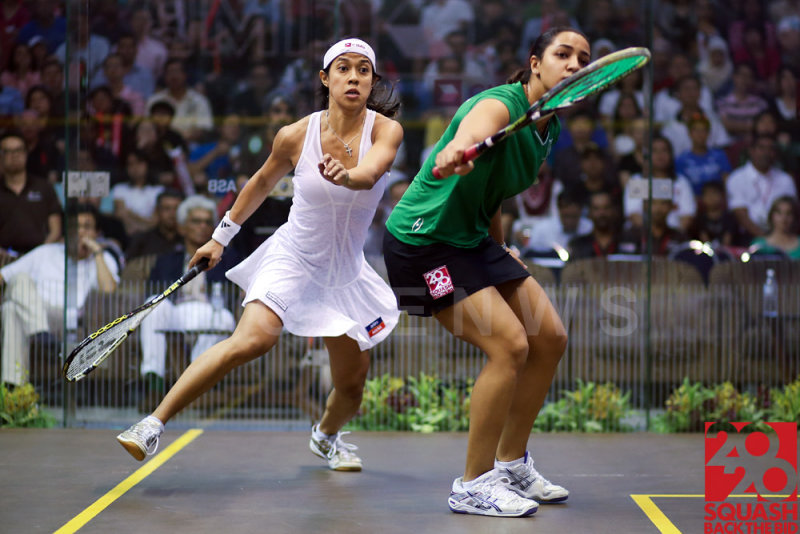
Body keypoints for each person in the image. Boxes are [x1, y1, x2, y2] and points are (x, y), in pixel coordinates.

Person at [117, 38, 403, 474]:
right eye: (343, 68)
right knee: (253, 339)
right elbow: (259, 184)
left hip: (345, 275)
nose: (353, 77)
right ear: (325, 79)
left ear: (372, 81)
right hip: (292, 257)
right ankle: (152, 424)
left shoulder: (385, 130)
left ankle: (325, 436)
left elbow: (372, 172)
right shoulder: (294, 135)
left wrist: (348, 175)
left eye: (363, 70)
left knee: (352, 385)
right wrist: (219, 238)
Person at [383, 26, 582, 518]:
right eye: (563, 54)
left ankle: (511, 463)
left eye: (583, 58)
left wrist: (500, 250)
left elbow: (492, 191)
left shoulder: (547, 128)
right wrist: (454, 151)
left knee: (550, 336)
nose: (574, 64)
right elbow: (473, 132)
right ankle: (472, 484)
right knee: (510, 345)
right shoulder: (501, 105)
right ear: (535, 63)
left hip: (473, 240)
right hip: (422, 245)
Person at [136, 195, 240, 412]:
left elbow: (232, 296)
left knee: (224, 317)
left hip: (210, 311)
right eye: (195, 221)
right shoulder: (167, 259)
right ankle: (154, 384)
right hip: (175, 314)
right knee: (154, 303)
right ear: (182, 227)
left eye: (207, 222)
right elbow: (154, 290)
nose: (202, 226)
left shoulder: (227, 258)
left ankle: (193, 384)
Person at [0, 203, 118, 387]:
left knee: (11, 310)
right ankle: (40, 333)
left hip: (72, 319)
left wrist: (96, 252)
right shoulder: (45, 253)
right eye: (74, 227)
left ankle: (13, 392)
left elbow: (109, 291)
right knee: (18, 284)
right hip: (38, 311)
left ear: (96, 233)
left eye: (86, 227)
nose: (80, 233)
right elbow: (4, 276)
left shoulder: (102, 258)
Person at [0, 131, 61, 259]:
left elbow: (55, 230)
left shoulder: (44, 187)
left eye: (19, 150)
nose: (14, 155)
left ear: (26, 154)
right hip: (2, 258)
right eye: (7, 151)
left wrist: (39, 255)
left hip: (40, 257)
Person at [726, 134, 798, 238]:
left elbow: (792, 213)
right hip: (748, 236)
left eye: (770, 149)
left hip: (782, 236)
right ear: (751, 151)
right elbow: (740, 215)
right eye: (761, 148)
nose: (766, 153)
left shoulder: (785, 179)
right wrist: (765, 240)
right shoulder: (736, 178)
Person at [125, 189, 184, 261]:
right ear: (157, 211)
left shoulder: (188, 241)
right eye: (167, 209)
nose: (172, 214)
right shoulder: (142, 240)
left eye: (176, 209)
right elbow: (130, 268)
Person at [568, 191, 623, 260]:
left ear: (613, 210)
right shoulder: (578, 245)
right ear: (589, 213)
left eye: (606, 208)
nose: (602, 213)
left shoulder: (627, 242)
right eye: (596, 209)